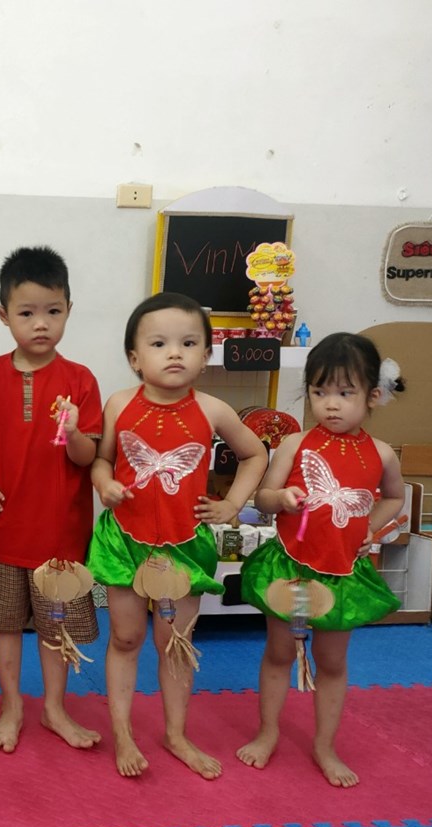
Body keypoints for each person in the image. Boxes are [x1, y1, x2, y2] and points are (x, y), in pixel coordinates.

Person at [88, 291, 268, 780]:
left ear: (205, 356)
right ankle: (123, 732)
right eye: (159, 343)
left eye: (188, 343)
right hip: (125, 541)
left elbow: (255, 454)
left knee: (175, 643)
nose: (174, 353)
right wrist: (104, 484)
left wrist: (232, 504)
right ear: (134, 358)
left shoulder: (213, 410)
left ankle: (176, 734)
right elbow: (102, 459)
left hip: (185, 545)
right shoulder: (119, 403)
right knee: (126, 637)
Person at [236, 332, 405, 788]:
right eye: (319, 391)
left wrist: (370, 528)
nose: (330, 404)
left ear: (373, 396)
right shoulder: (295, 444)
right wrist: (281, 499)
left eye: (345, 393)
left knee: (331, 660)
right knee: (278, 652)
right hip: (291, 568)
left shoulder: (381, 453)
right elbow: (263, 497)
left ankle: (325, 745)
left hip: (342, 574)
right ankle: (268, 732)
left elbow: (394, 497)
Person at [0, 246, 103, 754]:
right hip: (5, 529)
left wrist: (74, 431)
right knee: (3, 622)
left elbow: (87, 457)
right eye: (26, 313)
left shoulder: (80, 379)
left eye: (53, 311)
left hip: (61, 530)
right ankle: (12, 706)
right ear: (4, 315)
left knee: (55, 624)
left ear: (68, 309)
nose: (41, 324)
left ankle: (55, 708)